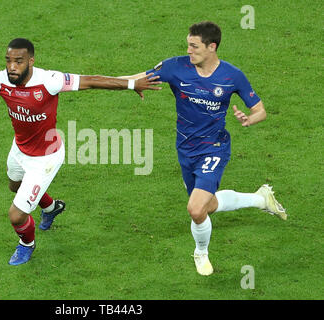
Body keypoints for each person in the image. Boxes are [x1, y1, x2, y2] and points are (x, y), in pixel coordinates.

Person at [0, 38, 161, 266]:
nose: (11, 67)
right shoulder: (0, 81)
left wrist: (130, 84)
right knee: (14, 187)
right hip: (19, 149)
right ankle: (51, 208)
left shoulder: (49, 81)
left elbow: (91, 81)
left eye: (18, 61)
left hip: (46, 158)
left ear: (30, 61)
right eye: (8, 61)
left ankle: (27, 245)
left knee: (16, 214)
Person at [122, 21, 286, 276]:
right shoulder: (175, 67)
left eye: (194, 46)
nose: (188, 50)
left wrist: (249, 119)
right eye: (188, 44)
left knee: (195, 209)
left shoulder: (232, 76)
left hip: (215, 147)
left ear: (212, 47)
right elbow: (137, 77)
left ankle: (201, 253)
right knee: (206, 205)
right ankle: (260, 198)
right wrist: (99, 82)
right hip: (186, 149)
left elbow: (260, 110)